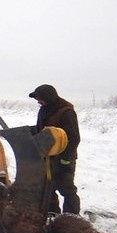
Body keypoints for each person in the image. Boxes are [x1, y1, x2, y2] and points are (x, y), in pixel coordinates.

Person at [29, 84, 81, 215]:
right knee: (47, 186)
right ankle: (52, 213)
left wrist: (65, 160)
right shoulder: (45, 109)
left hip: (64, 157)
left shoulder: (66, 112)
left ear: (48, 98)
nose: (38, 102)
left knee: (66, 188)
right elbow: (43, 130)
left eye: (40, 99)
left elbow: (74, 138)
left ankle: (71, 217)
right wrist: (27, 131)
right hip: (47, 156)